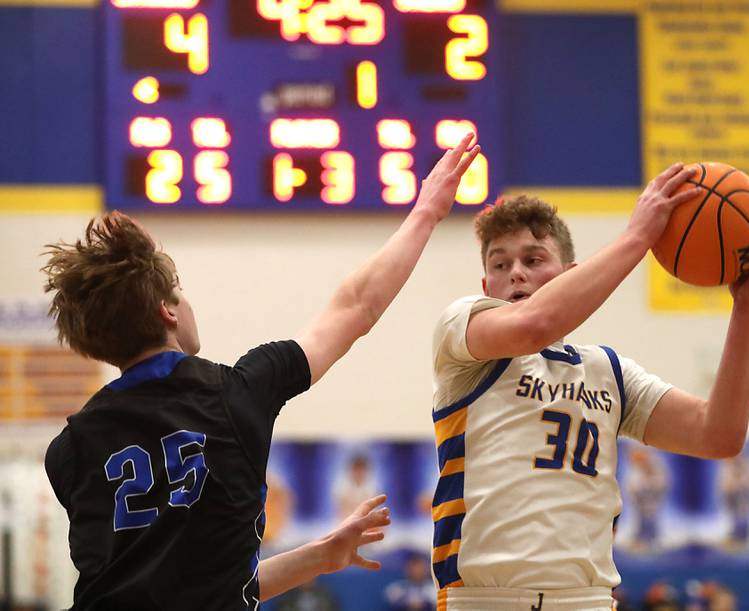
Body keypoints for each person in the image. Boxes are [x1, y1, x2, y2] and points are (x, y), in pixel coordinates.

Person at [42, 134, 480, 610]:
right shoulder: (236, 394)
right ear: (168, 311)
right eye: (179, 290)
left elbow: (184, 583)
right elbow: (358, 306)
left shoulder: (70, 449)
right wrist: (426, 213)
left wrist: (319, 557)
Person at [430, 163, 749, 611]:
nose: (515, 273)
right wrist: (637, 238)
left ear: (568, 273)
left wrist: (748, 308)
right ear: (485, 284)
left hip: (588, 600)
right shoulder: (463, 338)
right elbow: (535, 324)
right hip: (483, 599)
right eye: (500, 263)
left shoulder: (608, 371)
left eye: (533, 259)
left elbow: (720, 433)